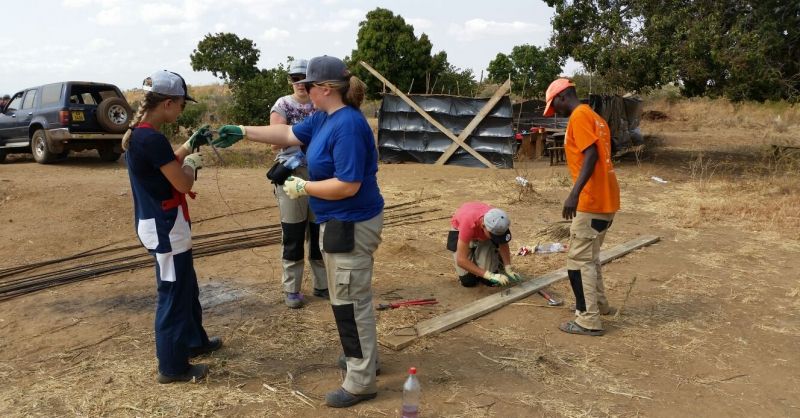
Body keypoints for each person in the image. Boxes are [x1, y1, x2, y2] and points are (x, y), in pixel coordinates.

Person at [213, 55, 383, 408]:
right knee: (347, 299)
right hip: (338, 222)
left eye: (307, 84)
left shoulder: (348, 125)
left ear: (324, 89)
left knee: (350, 303)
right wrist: (243, 131)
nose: (302, 89)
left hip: (350, 222)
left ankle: (361, 379)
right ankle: (363, 359)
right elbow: (288, 133)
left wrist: (305, 188)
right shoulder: (322, 118)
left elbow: (349, 184)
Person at [122, 70, 222, 383]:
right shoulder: (150, 138)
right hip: (164, 228)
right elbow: (180, 180)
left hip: (166, 224)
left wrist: (189, 144)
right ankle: (172, 367)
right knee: (173, 294)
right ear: (168, 103)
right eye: (181, 104)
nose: (182, 109)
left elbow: (166, 161)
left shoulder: (143, 134)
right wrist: (192, 164)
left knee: (185, 286)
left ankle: (194, 342)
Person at [543, 78, 620, 337]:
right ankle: (598, 306)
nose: (556, 113)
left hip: (590, 202)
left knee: (578, 261)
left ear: (563, 96)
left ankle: (587, 319)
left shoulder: (578, 116)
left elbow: (591, 155)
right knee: (590, 258)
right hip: (605, 200)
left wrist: (573, 194)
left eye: (555, 106)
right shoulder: (595, 117)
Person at [268, 58, 328, 308]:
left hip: (319, 172)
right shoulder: (282, 104)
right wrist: (306, 135)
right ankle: (291, 289)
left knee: (319, 231)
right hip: (292, 174)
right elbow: (275, 141)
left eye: (305, 78)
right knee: (293, 232)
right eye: (295, 79)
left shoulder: (321, 104)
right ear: (290, 81)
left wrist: (294, 134)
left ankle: (322, 284)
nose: (300, 83)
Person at [447, 202, 522, 287]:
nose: (497, 238)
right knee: (468, 281)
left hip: (482, 235)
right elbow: (461, 260)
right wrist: (489, 275)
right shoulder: (468, 224)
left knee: (489, 282)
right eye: (494, 236)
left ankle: (495, 261)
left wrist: (508, 268)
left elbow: (503, 243)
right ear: (483, 226)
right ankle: (475, 255)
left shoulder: (499, 221)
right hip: (461, 231)